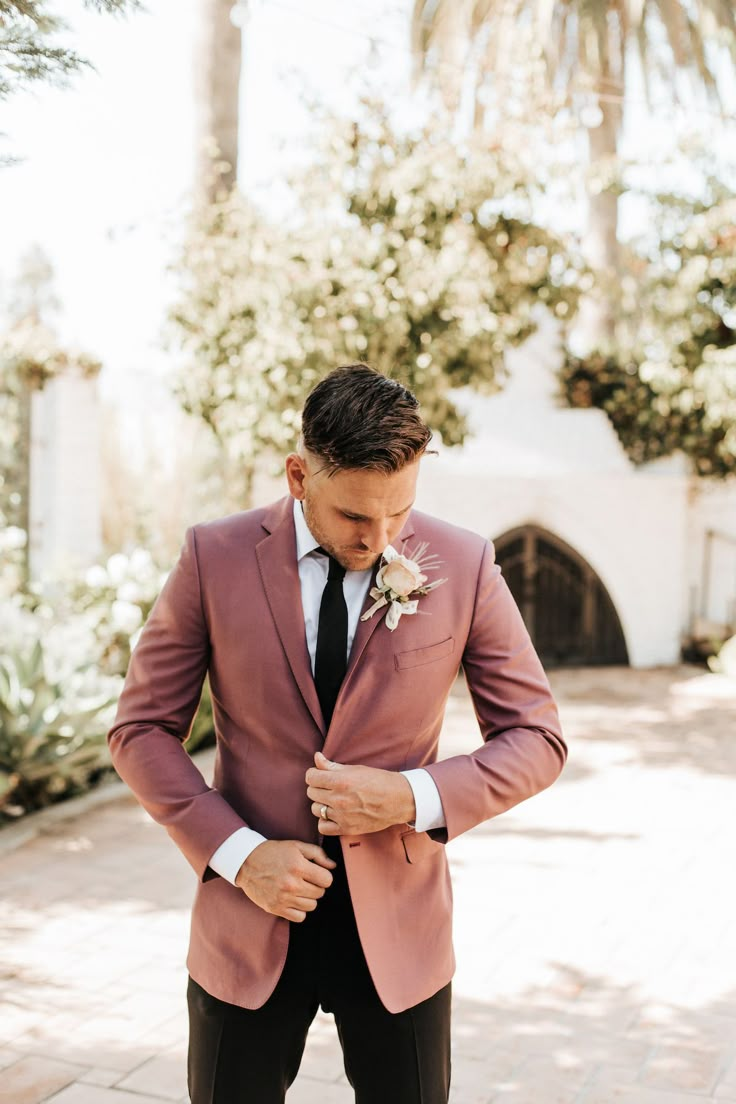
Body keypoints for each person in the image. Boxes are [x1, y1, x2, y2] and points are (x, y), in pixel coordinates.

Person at [107, 363, 567, 1104]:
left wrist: (411, 796)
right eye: (356, 516)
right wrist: (238, 855)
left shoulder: (466, 563)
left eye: (400, 513)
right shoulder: (211, 557)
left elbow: (537, 739)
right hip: (249, 917)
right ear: (298, 475)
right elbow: (140, 730)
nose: (380, 538)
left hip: (400, 935)